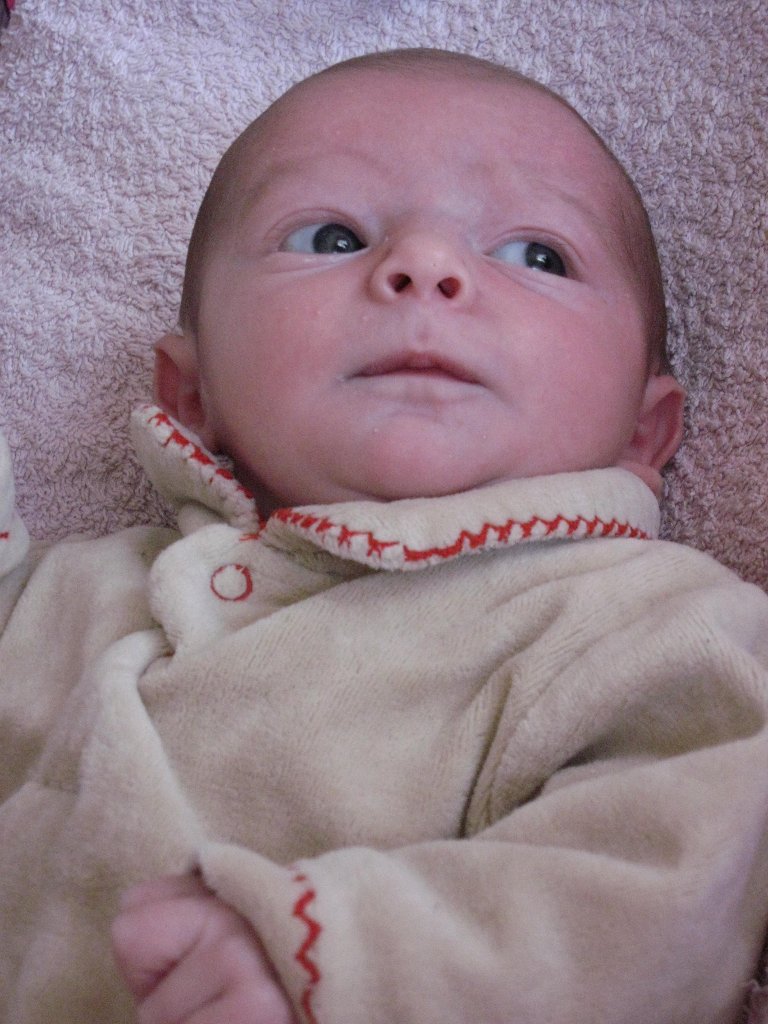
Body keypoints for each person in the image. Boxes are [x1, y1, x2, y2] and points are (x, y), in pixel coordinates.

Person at [2, 47, 768, 1024]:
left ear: (642, 432)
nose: (425, 265)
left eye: (538, 255)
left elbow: (673, 884)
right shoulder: (74, 592)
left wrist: (337, 957)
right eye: (330, 236)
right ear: (191, 396)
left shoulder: (648, 625)